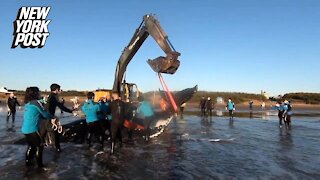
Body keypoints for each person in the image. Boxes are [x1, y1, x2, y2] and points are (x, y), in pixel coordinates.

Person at [21, 87, 54, 168]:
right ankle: (40, 166)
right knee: (39, 146)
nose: (40, 94)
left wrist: (43, 101)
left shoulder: (28, 103)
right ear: (35, 93)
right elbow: (45, 114)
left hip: (25, 130)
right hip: (33, 130)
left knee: (31, 146)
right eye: (39, 92)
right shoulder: (35, 103)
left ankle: (28, 163)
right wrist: (53, 117)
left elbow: (36, 113)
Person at [45, 83, 74, 152]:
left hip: (46, 117)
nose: (60, 91)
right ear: (56, 90)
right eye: (59, 89)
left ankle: (49, 147)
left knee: (47, 133)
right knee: (55, 133)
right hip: (49, 118)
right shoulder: (53, 97)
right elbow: (60, 106)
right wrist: (71, 111)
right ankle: (57, 149)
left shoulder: (50, 96)